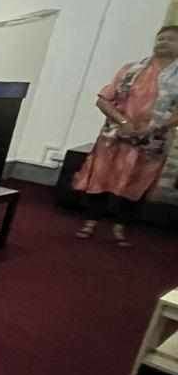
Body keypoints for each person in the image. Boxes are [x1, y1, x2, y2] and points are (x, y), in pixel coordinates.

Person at [73, 24, 178, 246]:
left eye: (171, 39)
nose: (163, 42)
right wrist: (123, 122)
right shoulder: (131, 69)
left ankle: (121, 227)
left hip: (152, 141)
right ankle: (90, 221)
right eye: (161, 38)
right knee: (101, 177)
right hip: (115, 136)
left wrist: (154, 128)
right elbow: (103, 100)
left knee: (137, 182)